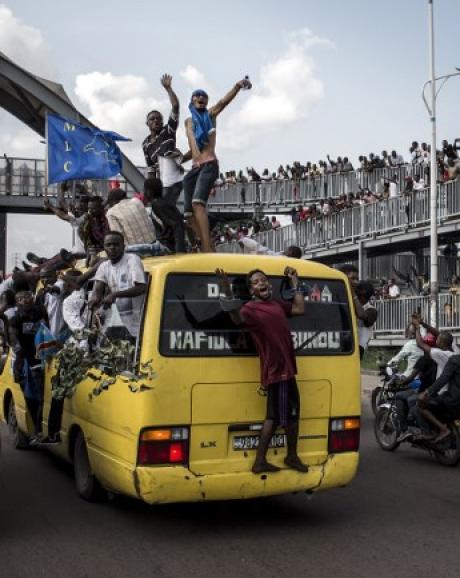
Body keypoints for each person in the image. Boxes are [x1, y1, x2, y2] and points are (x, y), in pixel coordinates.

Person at [215, 265, 308, 474]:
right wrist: (227, 290)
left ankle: (287, 457)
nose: (262, 283)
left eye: (263, 280)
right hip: (277, 370)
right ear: (251, 291)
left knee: (289, 415)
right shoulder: (250, 309)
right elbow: (237, 319)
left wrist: (295, 283)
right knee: (276, 417)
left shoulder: (276, 304)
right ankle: (265, 461)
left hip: (287, 369)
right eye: (256, 282)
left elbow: (300, 309)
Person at [183, 76, 252, 253]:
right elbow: (193, 148)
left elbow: (223, 102)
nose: (201, 97)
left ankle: (207, 248)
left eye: (204, 96)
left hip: (209, 164)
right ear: (191, 100)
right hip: (195, 167)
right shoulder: (189, 122)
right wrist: (177, 160)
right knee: (188, 214)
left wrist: (237, 86)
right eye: (197, 95)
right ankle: (203, 244)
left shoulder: (210, 114)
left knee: (198, 203)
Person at [0, 290, 49, 442]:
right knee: (30, 397)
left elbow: (48, 331)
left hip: (42, 360)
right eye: (21, 298)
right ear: (16, 302)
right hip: (25, 362)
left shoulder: (40, 312)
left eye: (28, 297)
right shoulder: (14, 320)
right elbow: (15, 345)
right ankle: (37, 429)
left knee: (41, 398)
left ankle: (39, 429)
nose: (26, 301)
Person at [416, 335, 460, 442]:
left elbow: (443, 379)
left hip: (452, 399)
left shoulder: (455, 360)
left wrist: (427, 392)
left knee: (420, 404)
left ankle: (441, 429)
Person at [89, 231, 147, 340]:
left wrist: (115, 295)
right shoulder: (104, 266)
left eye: (116, 244)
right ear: (104, 248)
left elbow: (141, 288)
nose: (112, 247)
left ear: (123, 246)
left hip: (139, 325)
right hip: (119, 325)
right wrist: (95, 298)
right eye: (108, 245)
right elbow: (98, 289)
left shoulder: (132, 260)